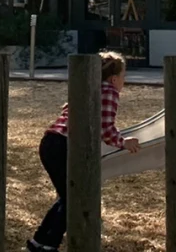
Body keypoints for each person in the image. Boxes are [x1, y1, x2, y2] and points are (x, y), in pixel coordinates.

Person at [28, 52, 140, 252]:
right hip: (63, 145)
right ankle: (48, 245)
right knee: (74, 197)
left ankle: (39, 241)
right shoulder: (110, 92)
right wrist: (124, 142)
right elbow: (106, 129)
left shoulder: (89, 88)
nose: (125, 81)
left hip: (50, 142)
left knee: (67, 196)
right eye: (124, 76)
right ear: (114, 79)